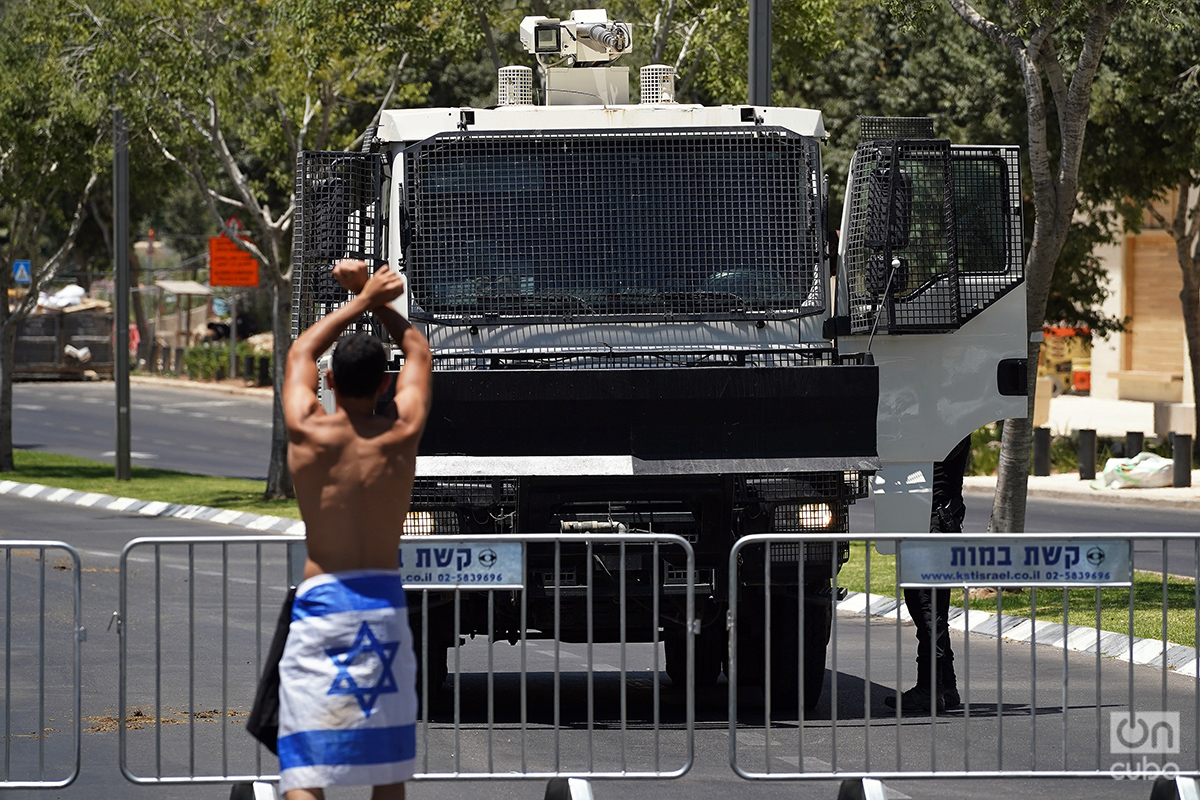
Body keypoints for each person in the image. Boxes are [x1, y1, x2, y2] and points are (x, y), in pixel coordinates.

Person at [276, 259, 432, 800]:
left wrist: (357, 301)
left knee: (307, 767)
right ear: (386, 384)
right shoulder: (401, 431)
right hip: (383, 608)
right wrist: (377, 298)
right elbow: (419, 351)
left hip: (323, 607)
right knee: (386, 771)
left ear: (331, 380)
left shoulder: (308, 432)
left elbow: (299, 353)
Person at [884, 435, 970, 714]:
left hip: (930, 525)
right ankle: (945, 684)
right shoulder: (953, 428)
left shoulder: (936, 434)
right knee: (934, 609)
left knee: (926, 608)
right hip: (939, 524)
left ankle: (929, 688)